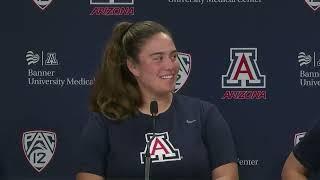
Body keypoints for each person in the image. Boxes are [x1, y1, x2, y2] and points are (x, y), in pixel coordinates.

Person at [76, 20, 238, 180]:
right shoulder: (104, 122)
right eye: (158, 58)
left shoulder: (204, 114)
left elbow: (227, 175)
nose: (171, 65)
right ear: (133, 66)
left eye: (173, 56)